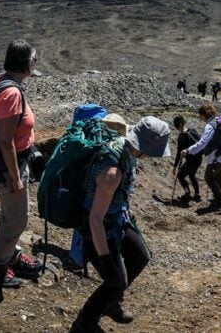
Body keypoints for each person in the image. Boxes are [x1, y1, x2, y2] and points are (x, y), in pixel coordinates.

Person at [70, 116, 171, 333]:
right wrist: (106, 259)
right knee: (115, 280)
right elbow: (95, 218)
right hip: (97, 228)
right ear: (142, 147)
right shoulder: (112, 173)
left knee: (140, 256)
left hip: (117, 218)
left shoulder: (125, 147)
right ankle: (85, 322)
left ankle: (111, 302)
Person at [0, 40, 41, 290]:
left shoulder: (2, 80)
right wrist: (16, 177)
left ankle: (12, 256)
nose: (35, 63)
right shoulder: (11, 94)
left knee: (12, 214)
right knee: (17, 219)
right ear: (25, 63)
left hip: (14, 162)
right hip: (11, 165)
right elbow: (5, 141)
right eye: (33, 59)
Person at [180, 103, 221, 208]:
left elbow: (202, 143)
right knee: (217, 175)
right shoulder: (219, 120)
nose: (200, 118)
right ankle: (219, 195)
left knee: (208, 177)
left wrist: (188, 150)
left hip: (218, 157)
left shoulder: (210, 125)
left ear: (203, 115)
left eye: (200, 115)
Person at [172, 115, 202, 202]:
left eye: (176, 126)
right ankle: (197, 195)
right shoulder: (193, 131)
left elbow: (179, 153)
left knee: (180, 175)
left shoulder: (181, 137)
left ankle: (187, 193)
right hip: (199, 158)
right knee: (192, 174)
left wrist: (175, 167)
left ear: (178, 126)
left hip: (191, 160)